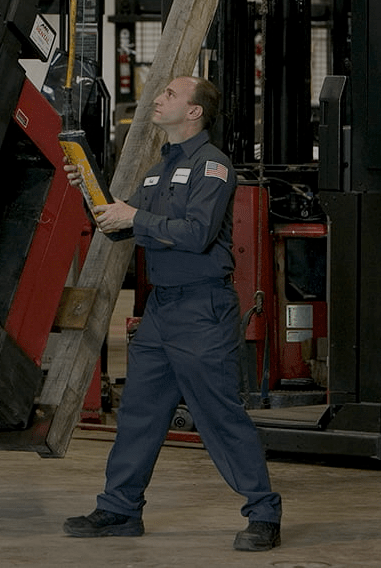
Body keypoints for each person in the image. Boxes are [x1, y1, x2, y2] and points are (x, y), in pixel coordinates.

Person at [61, 76, 283, 551]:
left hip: (202, 309)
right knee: (139, 411)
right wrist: (90, 191)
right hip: (162, 309)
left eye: (169, 94)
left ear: (194, 112)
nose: (157, 98)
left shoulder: (212, 167)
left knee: (219, 415)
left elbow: (197, 233)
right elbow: (119, 226)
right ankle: (120, 509)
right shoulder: (158, 170)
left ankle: (264, 512)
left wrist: (134, 217)